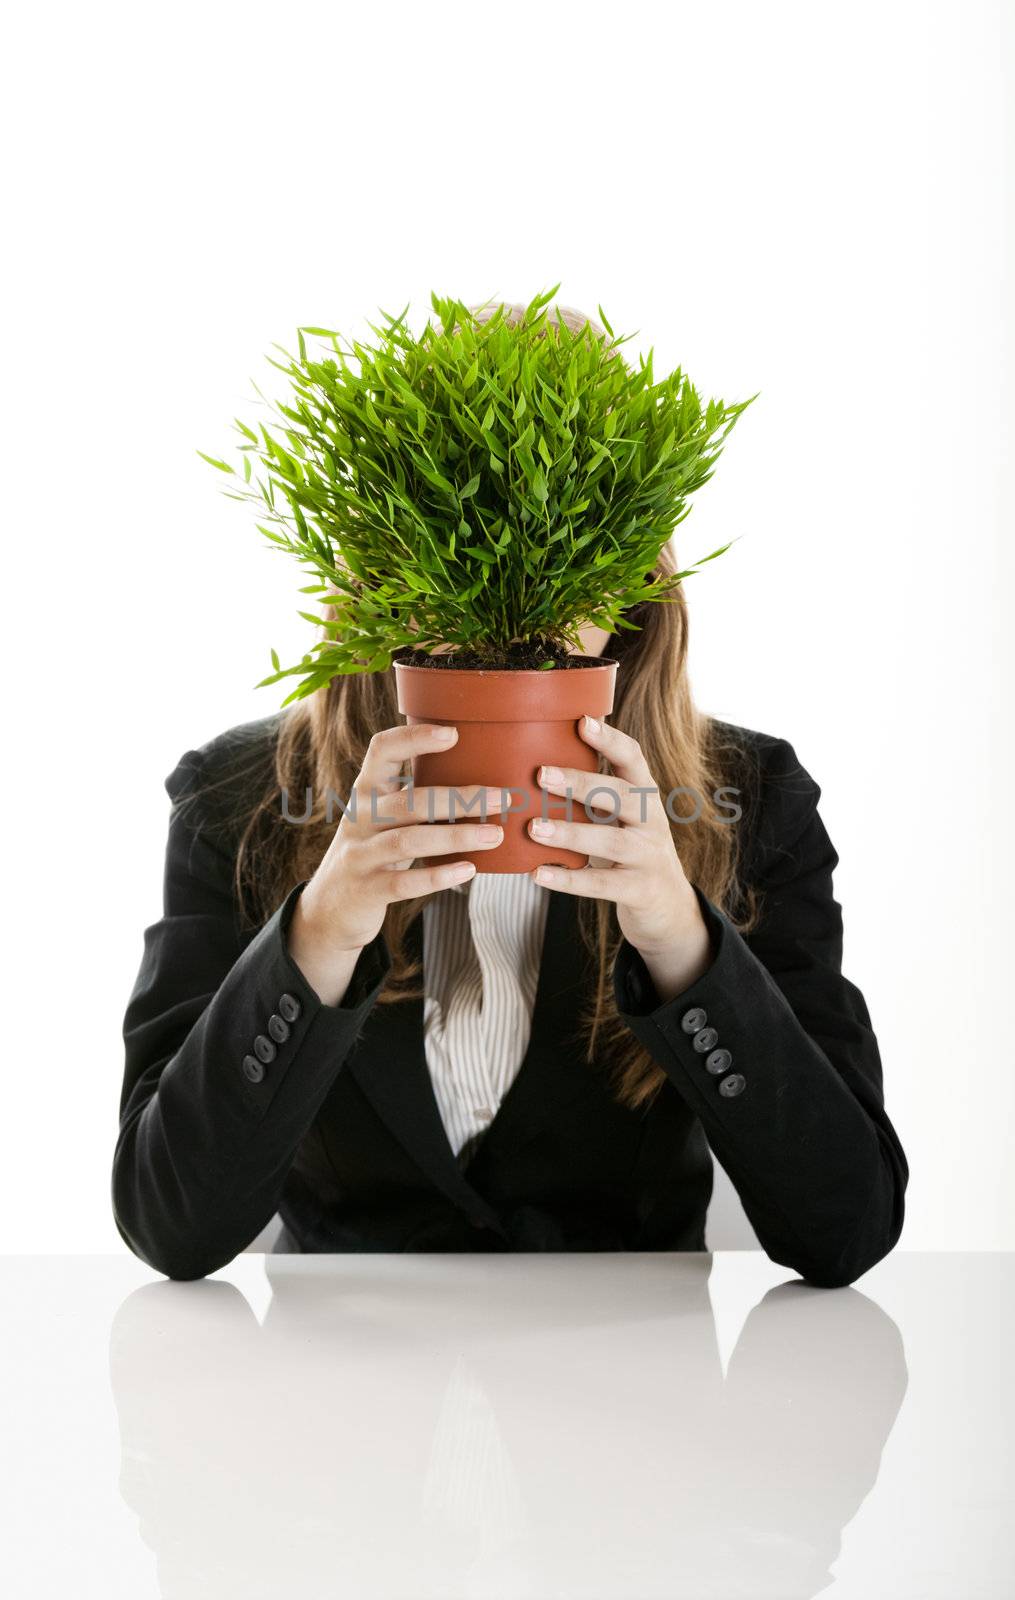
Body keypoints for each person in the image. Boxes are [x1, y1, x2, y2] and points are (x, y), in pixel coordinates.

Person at [111, 306, 908, 1285]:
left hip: (640, 1405)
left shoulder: (751, 802)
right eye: (453, 536)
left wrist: (679, 939)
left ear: (624, 575)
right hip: (325, 1410)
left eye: (553, 545)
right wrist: (318, 932)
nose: (499, 620)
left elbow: (845, 1228)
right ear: (383, 565)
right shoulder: (237, 802)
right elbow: (170, 1228)